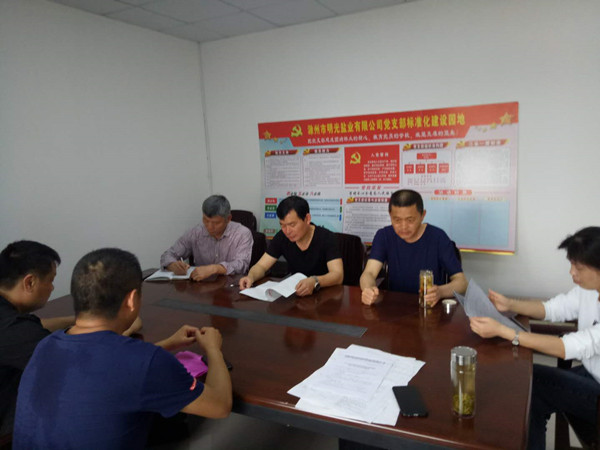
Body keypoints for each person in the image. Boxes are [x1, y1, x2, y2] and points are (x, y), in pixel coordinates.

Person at [13, 248, 232, 449]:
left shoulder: (46, 345)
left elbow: (109, 367)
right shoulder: (146, 362)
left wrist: (167, 343)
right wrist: (213, 350)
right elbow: (220, 406)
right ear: (131, 300)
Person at [470, 227, 600, 449]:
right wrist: (510, 304)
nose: (571, 272)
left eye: (578, 267)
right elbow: (554, 308)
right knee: (531, 385)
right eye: (571, 264)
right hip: (590, 372)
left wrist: (505, 331)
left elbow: (567, 347)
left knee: (530, 382)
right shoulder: (589, 289)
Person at [0, 240, 74, 435]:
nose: (52, 287)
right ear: (30, 282)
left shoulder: (9, 318)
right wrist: (117, 328)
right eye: (50, 280)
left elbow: (35, 325)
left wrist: (76, 320)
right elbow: (74, 365)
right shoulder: (15, 330)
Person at [360, 189, 467, 306]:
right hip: (395, 306)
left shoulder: (438, 237)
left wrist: (440, 292)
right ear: (390, 215)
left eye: (410, 220)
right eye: (397, 220)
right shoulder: (384, 235)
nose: (403, 226)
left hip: (430, 307)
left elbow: (461, 282)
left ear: (422, 215)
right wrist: (368, 289)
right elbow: (369, 273)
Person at [239, 196, 343, 297]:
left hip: (325, 295)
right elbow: (261, 266)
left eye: (292, 225)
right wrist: (251, 277)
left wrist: (315, 281)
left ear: (307, 219)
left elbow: (338, 275)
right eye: (282, 225)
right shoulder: (282, 237)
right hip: (296, 293)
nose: (287, 231)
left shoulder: (327, 238)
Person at [160, 194, 253, 281]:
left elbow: (242, 265)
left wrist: (215, 268)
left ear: (228, 219)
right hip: (201, 286)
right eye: (206, 220)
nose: (209, 227)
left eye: (216, 223)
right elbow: (167, 255)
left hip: (231, 286)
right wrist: (172, 265)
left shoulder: (242, 234)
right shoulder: (196, 232)